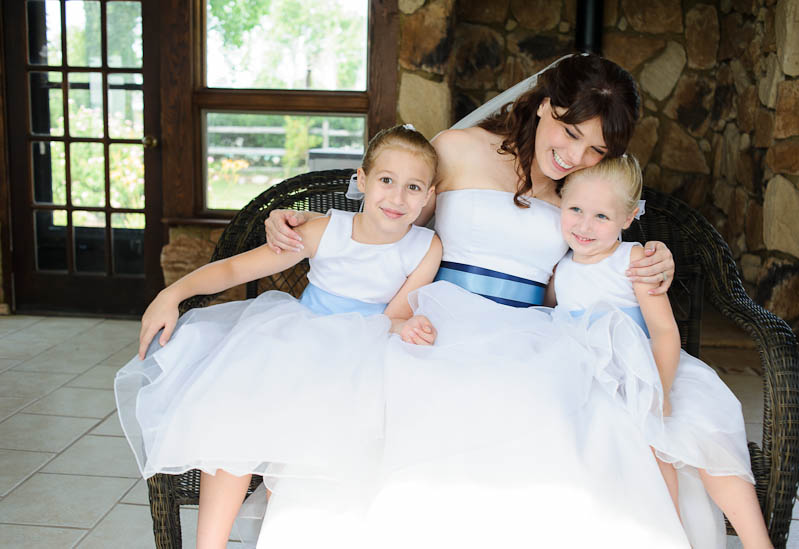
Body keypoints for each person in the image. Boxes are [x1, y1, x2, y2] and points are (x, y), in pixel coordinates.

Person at [257, 55, 714, 548]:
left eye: (595, 148)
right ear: (544, 106)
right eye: (569, 132)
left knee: (566, 426)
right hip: (437, 319)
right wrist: (305, 227)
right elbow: (387, 219)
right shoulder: (457, 150)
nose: (575, 157)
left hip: (529, 333)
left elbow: (594, 262)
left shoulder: (583, 193)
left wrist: (655, 256)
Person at [114, 124, 443, 549]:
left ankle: (282, 534)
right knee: (234, 417)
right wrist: (172, 292)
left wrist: (407, 326)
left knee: (313, 438)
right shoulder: (324, 230)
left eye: (413, 187)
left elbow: (391, 319)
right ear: (361, 180)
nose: (398, 198)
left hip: (361, 355)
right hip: (296, 343)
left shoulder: (424, 247)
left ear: (429, 194)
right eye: (386, 180)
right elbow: (235, 269)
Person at [551, 155, 772, 549]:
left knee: (698, 433)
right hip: (596, 381)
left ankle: (759, 543)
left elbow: (665, 331)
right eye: (575, 210)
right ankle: (668, 539)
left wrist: (660, 391)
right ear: (560, 203)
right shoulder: (560, 268)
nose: (584, 225)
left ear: (629, 216)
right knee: (637, 451)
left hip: (652, 370)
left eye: (601, 216)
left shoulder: (633, 260)